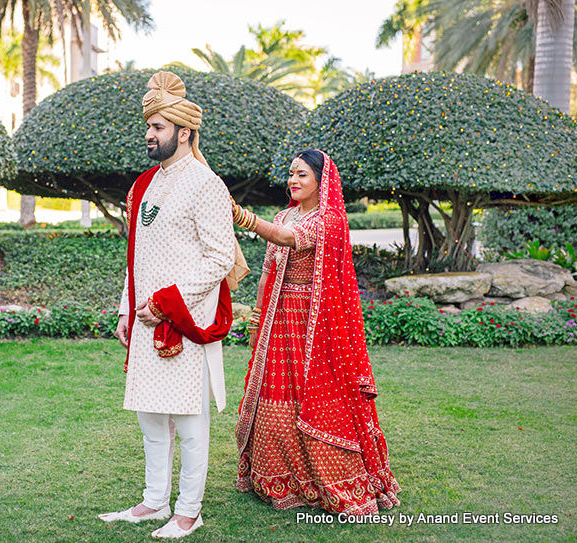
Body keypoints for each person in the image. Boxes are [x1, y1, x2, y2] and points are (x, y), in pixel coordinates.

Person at [97, 71, 247, 539]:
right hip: (143, 320)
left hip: (183, 320)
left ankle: (189, 510)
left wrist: (165, 303)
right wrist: (127, 308)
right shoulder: (145, 185)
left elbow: (221, 257)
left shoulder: (206, 184)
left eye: (158, 127)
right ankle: (154, 501)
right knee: (150, 417)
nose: (148, 134)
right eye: (149, 126)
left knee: (188, 421)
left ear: (184, 133)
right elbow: (135, 255)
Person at [230, 149, 401, 514]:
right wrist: (259, 314)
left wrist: (242, 216)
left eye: (302, 174)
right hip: (279, 321)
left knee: (316, 401)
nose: (293, 180)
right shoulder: (285, 213)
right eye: (291, 173)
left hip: (315, 326)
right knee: (273, 399)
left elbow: (288, 239)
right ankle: (278, 478)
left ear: (322, 182)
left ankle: (324, 480)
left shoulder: (328, 221)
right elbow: (267, 269)